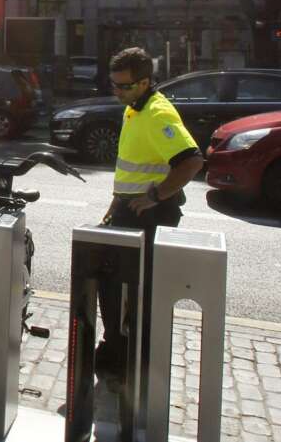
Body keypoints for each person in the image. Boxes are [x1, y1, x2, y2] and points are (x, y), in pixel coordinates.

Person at [95, 47, 205, 383]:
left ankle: (127, 355)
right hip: (128, 210)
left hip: (149, 216)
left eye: (124, 86)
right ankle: (117, 348)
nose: (117, 91)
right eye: (113, 84)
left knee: (130, 289)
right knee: (111, 283)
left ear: (144, 82)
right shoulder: (134, 108)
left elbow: (192, 161)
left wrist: (157, 195)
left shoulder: (158, 113)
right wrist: (116, 205)